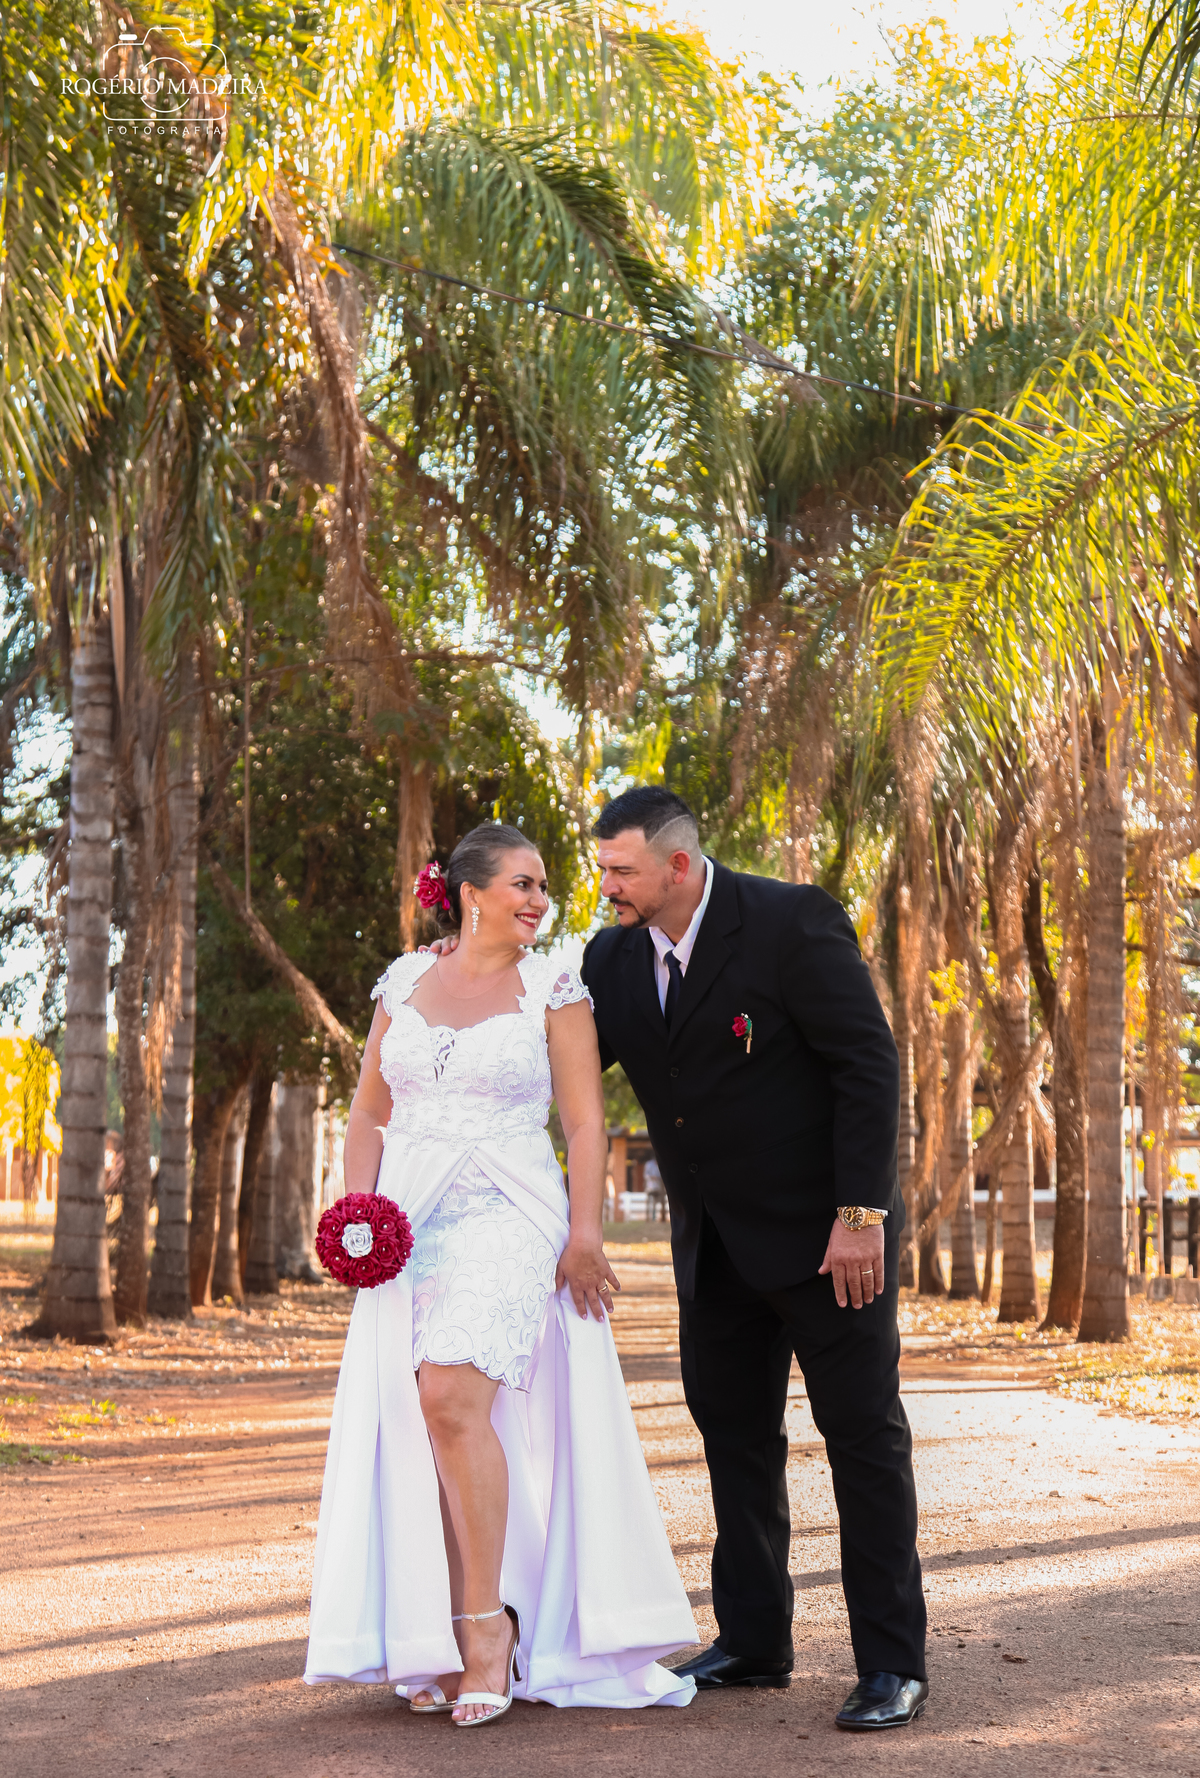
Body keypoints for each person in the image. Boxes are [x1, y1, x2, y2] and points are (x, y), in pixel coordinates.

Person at [304, 822, 696, 1722]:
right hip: (410, 1216)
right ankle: (440, 1632)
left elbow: (585, 1124)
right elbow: (367, 1113)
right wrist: (360, 1215)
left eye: (544, 887)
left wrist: (585, 1233)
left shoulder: (554, 987)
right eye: (523, 884)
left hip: (511, 1212)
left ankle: (489, 1629)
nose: (539, 901)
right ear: (470, 892)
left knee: (449, 1397)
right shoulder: (403, 982)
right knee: (425, 1419)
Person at [580, 786, 927, 1732]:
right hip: (714, 1251)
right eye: (603, 869)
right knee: (733, 1439)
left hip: (830, 1243)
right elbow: (562, 1072)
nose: (606, 887)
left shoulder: (790, 922)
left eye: (621, 870)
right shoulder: (609, 960)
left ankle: (891, 1663)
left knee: (863, 1439)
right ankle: (755, 1639)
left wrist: (861, 1215)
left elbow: (868, 1064)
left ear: (678, 865)